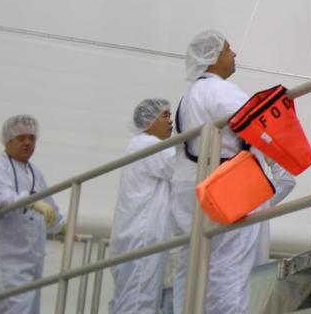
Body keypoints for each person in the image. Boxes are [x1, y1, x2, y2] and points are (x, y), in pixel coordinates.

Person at [169, 32, 259, 314]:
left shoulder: (189, 97)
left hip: (191, 187)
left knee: (193, 261)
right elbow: (258, 123)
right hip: (224, 185)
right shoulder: (222, 91)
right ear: (212, 59)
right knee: (229, 264)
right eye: (228, 50)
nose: (234, 55)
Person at [109, 99, 177, 314]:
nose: (171, 121)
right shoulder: (147, 144)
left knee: (132, 297)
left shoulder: (143, 144)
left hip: (137, 234)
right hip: (142, 236)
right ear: (148, 121)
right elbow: (178, 169)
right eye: (165, 115)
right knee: (139, 299)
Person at [0, 115, 64, 314]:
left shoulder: (34, 171)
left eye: (32, 138)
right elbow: (0, 196)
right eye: (21, 138)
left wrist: (62, 226)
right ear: (8, 140)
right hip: (7, 260)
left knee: (29, 308)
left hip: (32, 259)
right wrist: (31, 202)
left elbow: (49, 206)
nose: (28, 142)